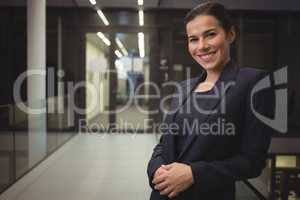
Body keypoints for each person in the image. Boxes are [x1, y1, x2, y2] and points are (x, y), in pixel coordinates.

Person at [147, 1, 274, 200]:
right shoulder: (183, 88)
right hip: (164, 194)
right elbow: (165, 143)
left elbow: (252, 161)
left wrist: (193, 174)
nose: (202, 46)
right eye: (193, 39)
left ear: (230, 34)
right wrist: (155, 170)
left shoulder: (253, 82)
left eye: (210, 34)